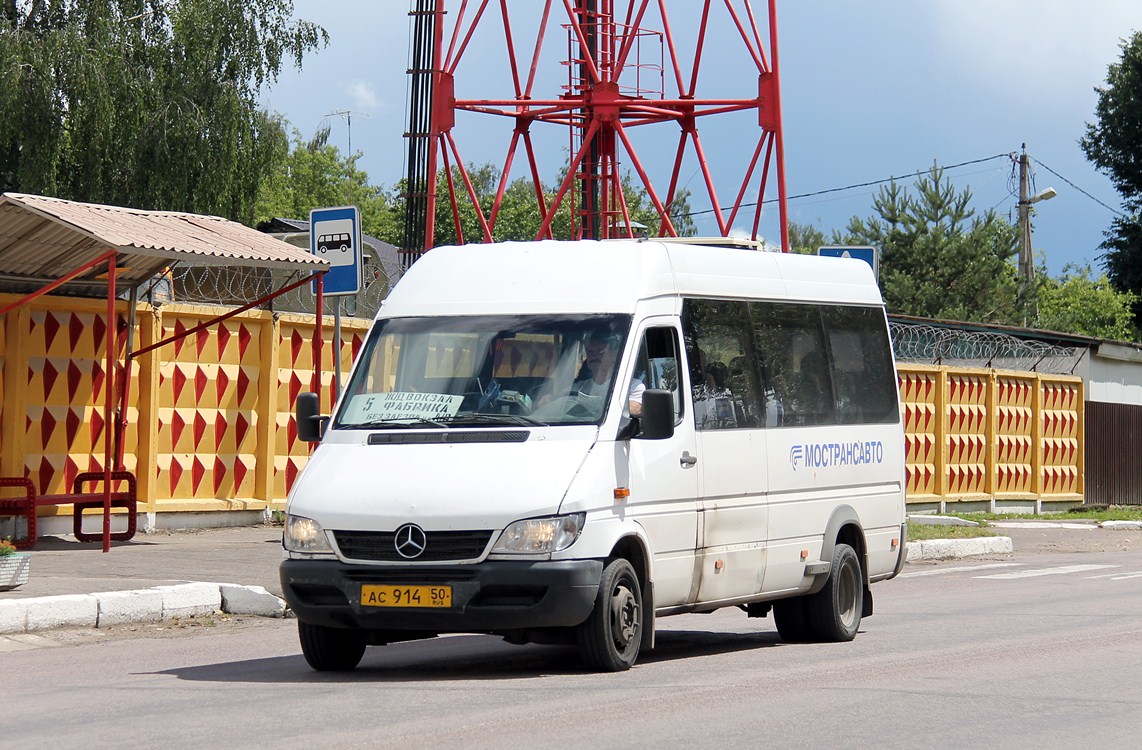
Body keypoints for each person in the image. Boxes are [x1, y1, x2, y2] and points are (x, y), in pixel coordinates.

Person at [574, 332, 646, 415]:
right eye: (590, 351)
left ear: (614, 356)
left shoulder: (632, 387)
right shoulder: (578, 388)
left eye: (600, 351)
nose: (594, 356)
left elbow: (631, 410)